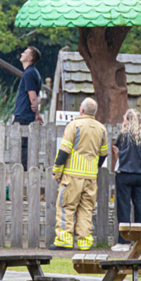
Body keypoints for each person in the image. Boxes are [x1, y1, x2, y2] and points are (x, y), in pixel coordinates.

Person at [51, 97, 108, 251]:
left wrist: (57, 171)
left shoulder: (74, 125)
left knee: (66, 207)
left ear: (81, 110)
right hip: (90, 177)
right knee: (86, 209)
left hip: (72, 176)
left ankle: (64, 240)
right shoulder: (102, 129)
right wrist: (93, 168)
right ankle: (84, 242)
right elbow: (103, 155)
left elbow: (64, 151)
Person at [112, 108, 141, 252]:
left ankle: (124, 241)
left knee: (124, 207)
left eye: (124, 119)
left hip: (125, 174)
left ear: (128, 121)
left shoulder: (123, 135)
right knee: (140, 207)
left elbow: (118, 150)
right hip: (140, 175)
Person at [13, 45, 43, 169]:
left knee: (21, 146)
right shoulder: (34, 72)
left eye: (25, 52)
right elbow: (38, 96)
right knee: (24, 145)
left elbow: (33, 96)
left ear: (30, 58)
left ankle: (23, 171)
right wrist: (36, 114)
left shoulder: (29, 73)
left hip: (23, 115)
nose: (22, 54)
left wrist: (35, 109)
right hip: (27, 114)